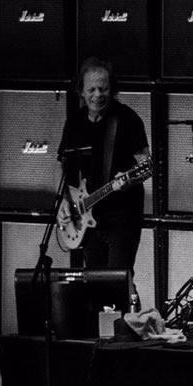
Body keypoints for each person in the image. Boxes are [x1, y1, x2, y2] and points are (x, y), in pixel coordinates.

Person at [56, 56, 150, 296]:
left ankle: (129, 319)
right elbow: (62, 165)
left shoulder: (127, 119)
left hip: (122, 215)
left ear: (112, 89)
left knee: (119, 280)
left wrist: (130, 180)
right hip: (86, 215)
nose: (97, 95)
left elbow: (147, 166)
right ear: (81, 91)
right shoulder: (74, 122)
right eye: (92, 89)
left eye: (103, 89)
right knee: (94, 283)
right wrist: (64, 202)